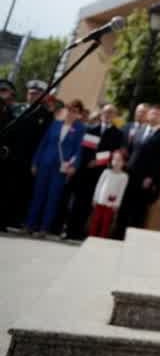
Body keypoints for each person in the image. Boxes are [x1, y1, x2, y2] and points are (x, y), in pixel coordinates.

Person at [26, 100, 87, 237]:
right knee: (38, 195)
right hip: (45, 163)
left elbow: (78, 150)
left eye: (75, 111)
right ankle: (30, 224)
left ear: (79, 115)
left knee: (52, 198)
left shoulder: (80, 129)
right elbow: (43, 144)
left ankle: (44, 228)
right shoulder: (55, 124)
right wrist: (35, 162)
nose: (71, 113)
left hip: (61, 168)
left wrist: (74, 166)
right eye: (70, 109)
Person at [2, 80, 55, 230]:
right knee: (6, 187)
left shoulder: (45, 114)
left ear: (42, 96)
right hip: (10, 156)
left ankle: (13, 219)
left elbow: (44, 138)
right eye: (31, 93)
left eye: (37, 94)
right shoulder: (15, 108)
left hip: (29, 158)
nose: (33, 96)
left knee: (22, 190)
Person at [66, 104, 123, 240]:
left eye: (111, 113)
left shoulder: (118, 134)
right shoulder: (90, 129)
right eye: (106, 112)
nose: (108, 115)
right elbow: (84, 149)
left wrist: (97, 161)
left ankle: (79, 232)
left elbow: (112, 152)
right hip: (83, 171)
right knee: (76, 202)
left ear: (115, 116)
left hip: (100, 174)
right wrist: (88, 161)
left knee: (88, 204)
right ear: (101, 113)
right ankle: (69, 231)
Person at [118, 104, 160, 235]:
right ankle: (118, 234)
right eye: (152, 113)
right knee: (124, 207)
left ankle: (133, 236)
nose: (154, 116)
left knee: (138, 210)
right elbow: (130, 151)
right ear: (148, 115)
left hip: (145, 179)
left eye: (158, 114)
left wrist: (152, 177)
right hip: (130, 174)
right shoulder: (139, 130)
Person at [88, 148, 129, 238]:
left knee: (106, 222)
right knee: (96, 220)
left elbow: (121, 191)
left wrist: (117, 204)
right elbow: (99, 186)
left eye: (119, 160)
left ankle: (102, 239)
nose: (116, 162)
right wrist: (95, 198)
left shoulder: (124, 176)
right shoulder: (106, 172)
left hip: (111, 204)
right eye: (114, 159)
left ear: (124, 162)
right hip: (100, 201)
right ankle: (91, 237)